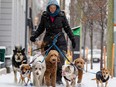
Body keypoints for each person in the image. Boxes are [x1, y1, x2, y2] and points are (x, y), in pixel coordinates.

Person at [30, 0, 76, 84]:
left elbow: (67, 28)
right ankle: (48, 77)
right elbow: (41, 28)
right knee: (47, 59)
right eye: (51, 7)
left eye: (54, 7)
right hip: (48, 40)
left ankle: (58, 78)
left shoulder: (61, 15)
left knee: (60, 58)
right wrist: (34, 36)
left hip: (60, 40)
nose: (52, 9)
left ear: (57, 7)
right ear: (48, 8)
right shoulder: (45, 16)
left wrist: (72, 39)